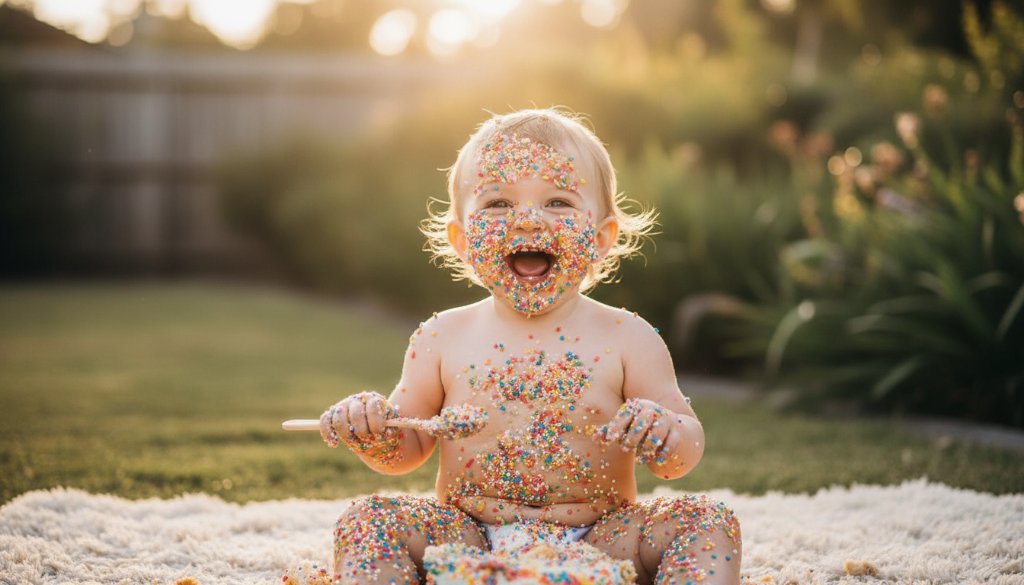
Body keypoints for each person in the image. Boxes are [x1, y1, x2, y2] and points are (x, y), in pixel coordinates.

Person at [319, 108, 741, 585]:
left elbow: (683, 454)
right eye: (497, 203)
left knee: (707, 520)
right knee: (368, 519)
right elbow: (406, 447)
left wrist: (665, 433)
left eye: (558, 202)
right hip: (467, 538)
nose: (527, 220)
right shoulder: (441, 337)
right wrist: (374, 430)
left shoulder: (629, 337)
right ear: (461, 240)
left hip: (601, 541)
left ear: (601, 239)